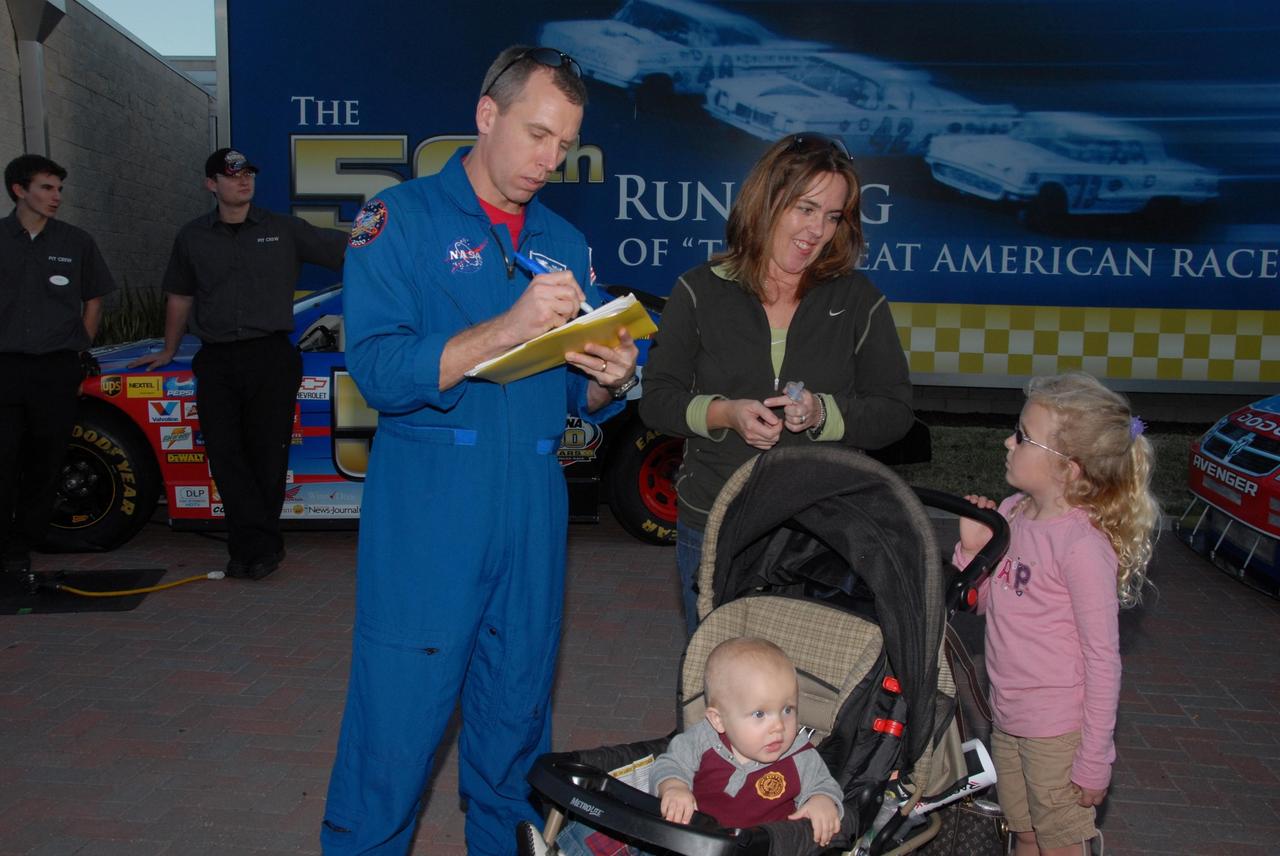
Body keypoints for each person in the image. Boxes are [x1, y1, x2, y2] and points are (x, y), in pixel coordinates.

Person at [320, 46, 639, 855]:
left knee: (516, 725)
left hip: (533, 510)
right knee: (395, 732)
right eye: (536, 134)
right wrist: (506, 327)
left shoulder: (564, 238)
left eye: (564, 146)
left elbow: (573, 397)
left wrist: (608, 377)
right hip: (431, 515)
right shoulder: (400, 219)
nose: (548, 159)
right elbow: (380, 370)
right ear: (487, 114)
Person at [639, 133, 914, 634]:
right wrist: (725, 414)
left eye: (833, 216)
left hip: (824, 529)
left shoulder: (858, 299)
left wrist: (823, 414)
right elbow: (656, 401)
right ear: (767, 201)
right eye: (806, 209)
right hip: (717, 524)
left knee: (809, 691)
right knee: (715, 681)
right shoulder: (699, 290)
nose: (818, 231)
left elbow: (895, 412)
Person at [954, 371, 1158, 856]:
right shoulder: (1011, 514)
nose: (1009, 440)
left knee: (1062, 841)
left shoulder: (1082, 547)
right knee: (1024, 833)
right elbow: (982, 603)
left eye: (1023, 437)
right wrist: (971, 551)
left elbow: (1103, 660)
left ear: (1069, 468)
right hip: (1008, 716)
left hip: (1059, 730)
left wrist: (1094, 759)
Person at [130, 148, 346, 580]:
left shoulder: (283, 229)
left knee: (269, 457)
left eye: (248, 173)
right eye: (232, 176)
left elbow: (350, 250)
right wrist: (170, 350)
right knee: (227, 458)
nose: (243, 181)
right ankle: (257, 544)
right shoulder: (192, 237)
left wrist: (395, 234)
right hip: (217, 361)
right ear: (212, 184)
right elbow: (179, 296)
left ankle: (255, 549)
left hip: (272, 357)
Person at [526, 637, 843, 856]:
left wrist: (824, 802)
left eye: (788, 710)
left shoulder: (800, 756)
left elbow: (826, 786)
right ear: (719, 720)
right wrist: (674, 787)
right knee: (616, 825)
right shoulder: (701, 739)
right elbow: (668, 763)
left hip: (750, 848)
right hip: (683, 841)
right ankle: (563, 849)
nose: (779, 725)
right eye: (760, 714)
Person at [1, 154, 116, 574]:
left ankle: (23, 545)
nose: (56, 197)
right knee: (4, 458)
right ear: (19, 190)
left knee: (46, 461)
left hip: (55, 370)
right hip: (5, 369)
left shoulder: (76, 241)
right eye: (47, 188)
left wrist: (81, 342)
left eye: (59, 189)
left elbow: (94, 297)